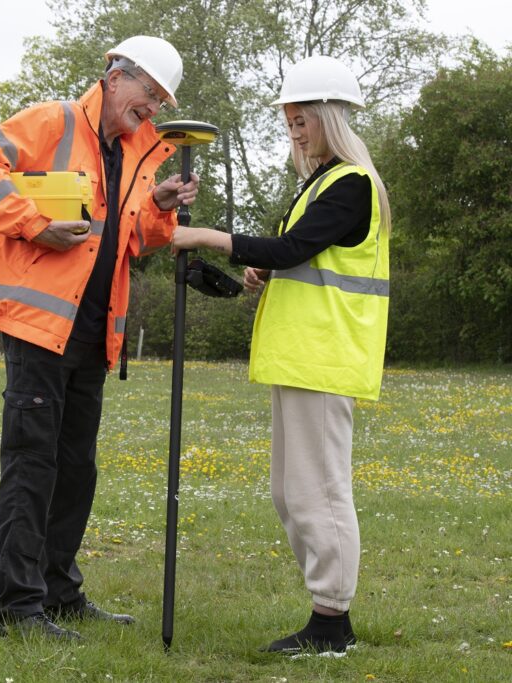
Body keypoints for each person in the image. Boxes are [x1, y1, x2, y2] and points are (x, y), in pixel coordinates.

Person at [0, 36, 199, 640]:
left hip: (94, 335)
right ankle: (18, 607)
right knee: (32, 467)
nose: (154, 109)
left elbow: (134, 237)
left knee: (75, 470)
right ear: (115, 77)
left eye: (163, 100)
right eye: (150, 93)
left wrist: (161, 209)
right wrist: (34, 224)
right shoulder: (51, 121)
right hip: (39, 329)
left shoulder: (141, 152)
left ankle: (59, 592)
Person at [171, 55, 391, 656]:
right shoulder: (320, 183)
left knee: (318, 492)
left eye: (303, 119)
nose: (294, 130)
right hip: (302, 359)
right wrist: (266, 268)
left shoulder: (351, 182)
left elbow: (295, 243)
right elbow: (300, 253)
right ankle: (326, 616)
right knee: (292, 494)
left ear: (330, 117)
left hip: (324, 359)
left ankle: (331, 625)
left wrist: (206, 236)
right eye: (290, 121)